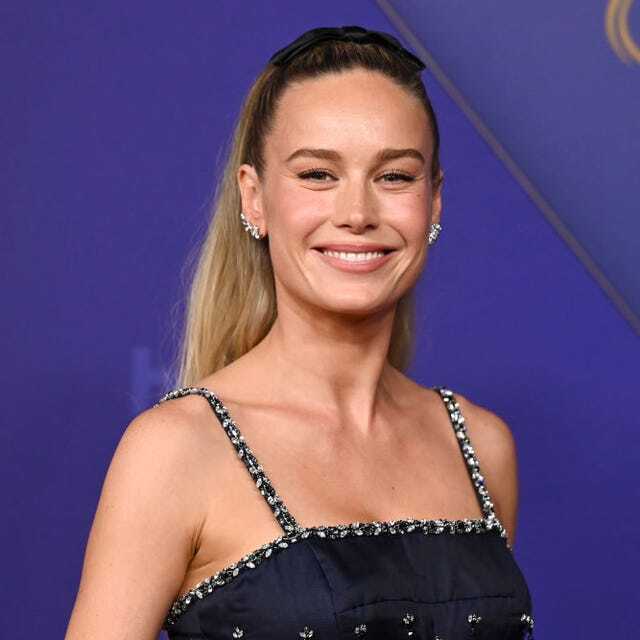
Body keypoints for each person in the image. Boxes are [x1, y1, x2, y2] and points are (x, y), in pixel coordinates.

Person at [65, 25, 534, 640]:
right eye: (317, 174)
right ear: (254, 199)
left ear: (434, 201)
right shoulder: (177, 450)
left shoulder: (481, 445)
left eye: (395, 176)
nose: (357, 213)